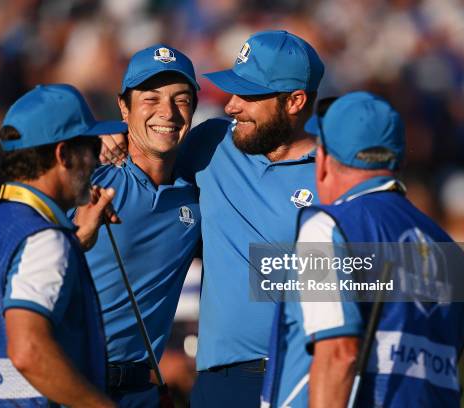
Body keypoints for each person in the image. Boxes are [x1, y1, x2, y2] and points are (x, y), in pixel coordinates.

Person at [100, 30, 324, 407]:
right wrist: (106, 138)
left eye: (249, 95)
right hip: (220, 382)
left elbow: (407, 276)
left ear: (295, 101)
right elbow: (152, 143)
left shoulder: (336, 173)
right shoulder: (212, 143)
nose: (232, 106)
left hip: (304, 377)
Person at [261, 91, 464, 407]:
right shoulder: (452, 252)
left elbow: (339, 354)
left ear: (322, 160)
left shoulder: (326, 228)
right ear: (400, 160)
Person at [0, 84, 126, 407]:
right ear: (63, 155)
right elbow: (27, 351)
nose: (97, 161)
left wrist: (74, 241)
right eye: (90, 146)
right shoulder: (44, 239)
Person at [82, 45, 201, 407]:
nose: (168, 112)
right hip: (73, 384)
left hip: (140, 392)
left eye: (181, 99)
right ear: (124, 106)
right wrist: (98, 136)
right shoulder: (88, 177)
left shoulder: (197, 198)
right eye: (151, 99)